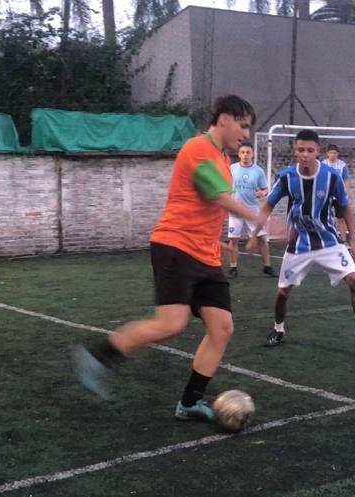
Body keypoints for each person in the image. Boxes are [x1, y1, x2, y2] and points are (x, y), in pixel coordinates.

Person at [72, 95, 268, 422]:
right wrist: (260, 218)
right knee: (170, 324)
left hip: (205, 255)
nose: (246, 134)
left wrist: (217, 241)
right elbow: (216, 195)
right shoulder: (197, 148)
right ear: (224, 119)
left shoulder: (223, 160)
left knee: (222, 328)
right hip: (175, 246)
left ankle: (190, 402)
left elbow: (203, 205)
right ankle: (97, 356)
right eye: (243, 125)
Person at [247, 130, 355, 354]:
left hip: (329, 242)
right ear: (294, 151)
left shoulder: (331, 176)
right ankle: (278, 329)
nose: (305, 154)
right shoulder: (287, 176)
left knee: (354, 280)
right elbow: (267, 206)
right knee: (282, 292)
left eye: (310, 150)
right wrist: (253, 236)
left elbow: (345, 207)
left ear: (318, 152)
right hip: (298, 245)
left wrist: (353, 239)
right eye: (301, 150)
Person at [225, 142, 276, 278]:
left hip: (252, 210)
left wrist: (262, 193)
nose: (245, 155)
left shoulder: (258, 171)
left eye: (248, 152)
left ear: (252, 154)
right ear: (239, 154)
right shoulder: (231, 168)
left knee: (262, 239)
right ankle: (233, 267)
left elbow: (265, 189)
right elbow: (223, 183)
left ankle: (267, 266)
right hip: (235, 210)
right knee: (233, 240)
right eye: (243, 152)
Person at [324, 144, 350, 242]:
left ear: (337, 154)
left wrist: (346, 193)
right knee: (325, 218)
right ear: (327, 153)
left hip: (339, 195)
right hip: (326, 195)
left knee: (341, 218)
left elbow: (346, 179)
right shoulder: (323, 164)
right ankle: (327, 240)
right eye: (331, 152)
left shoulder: (342, 165)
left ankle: (343, 240)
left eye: (335, 153)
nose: (333, 155)